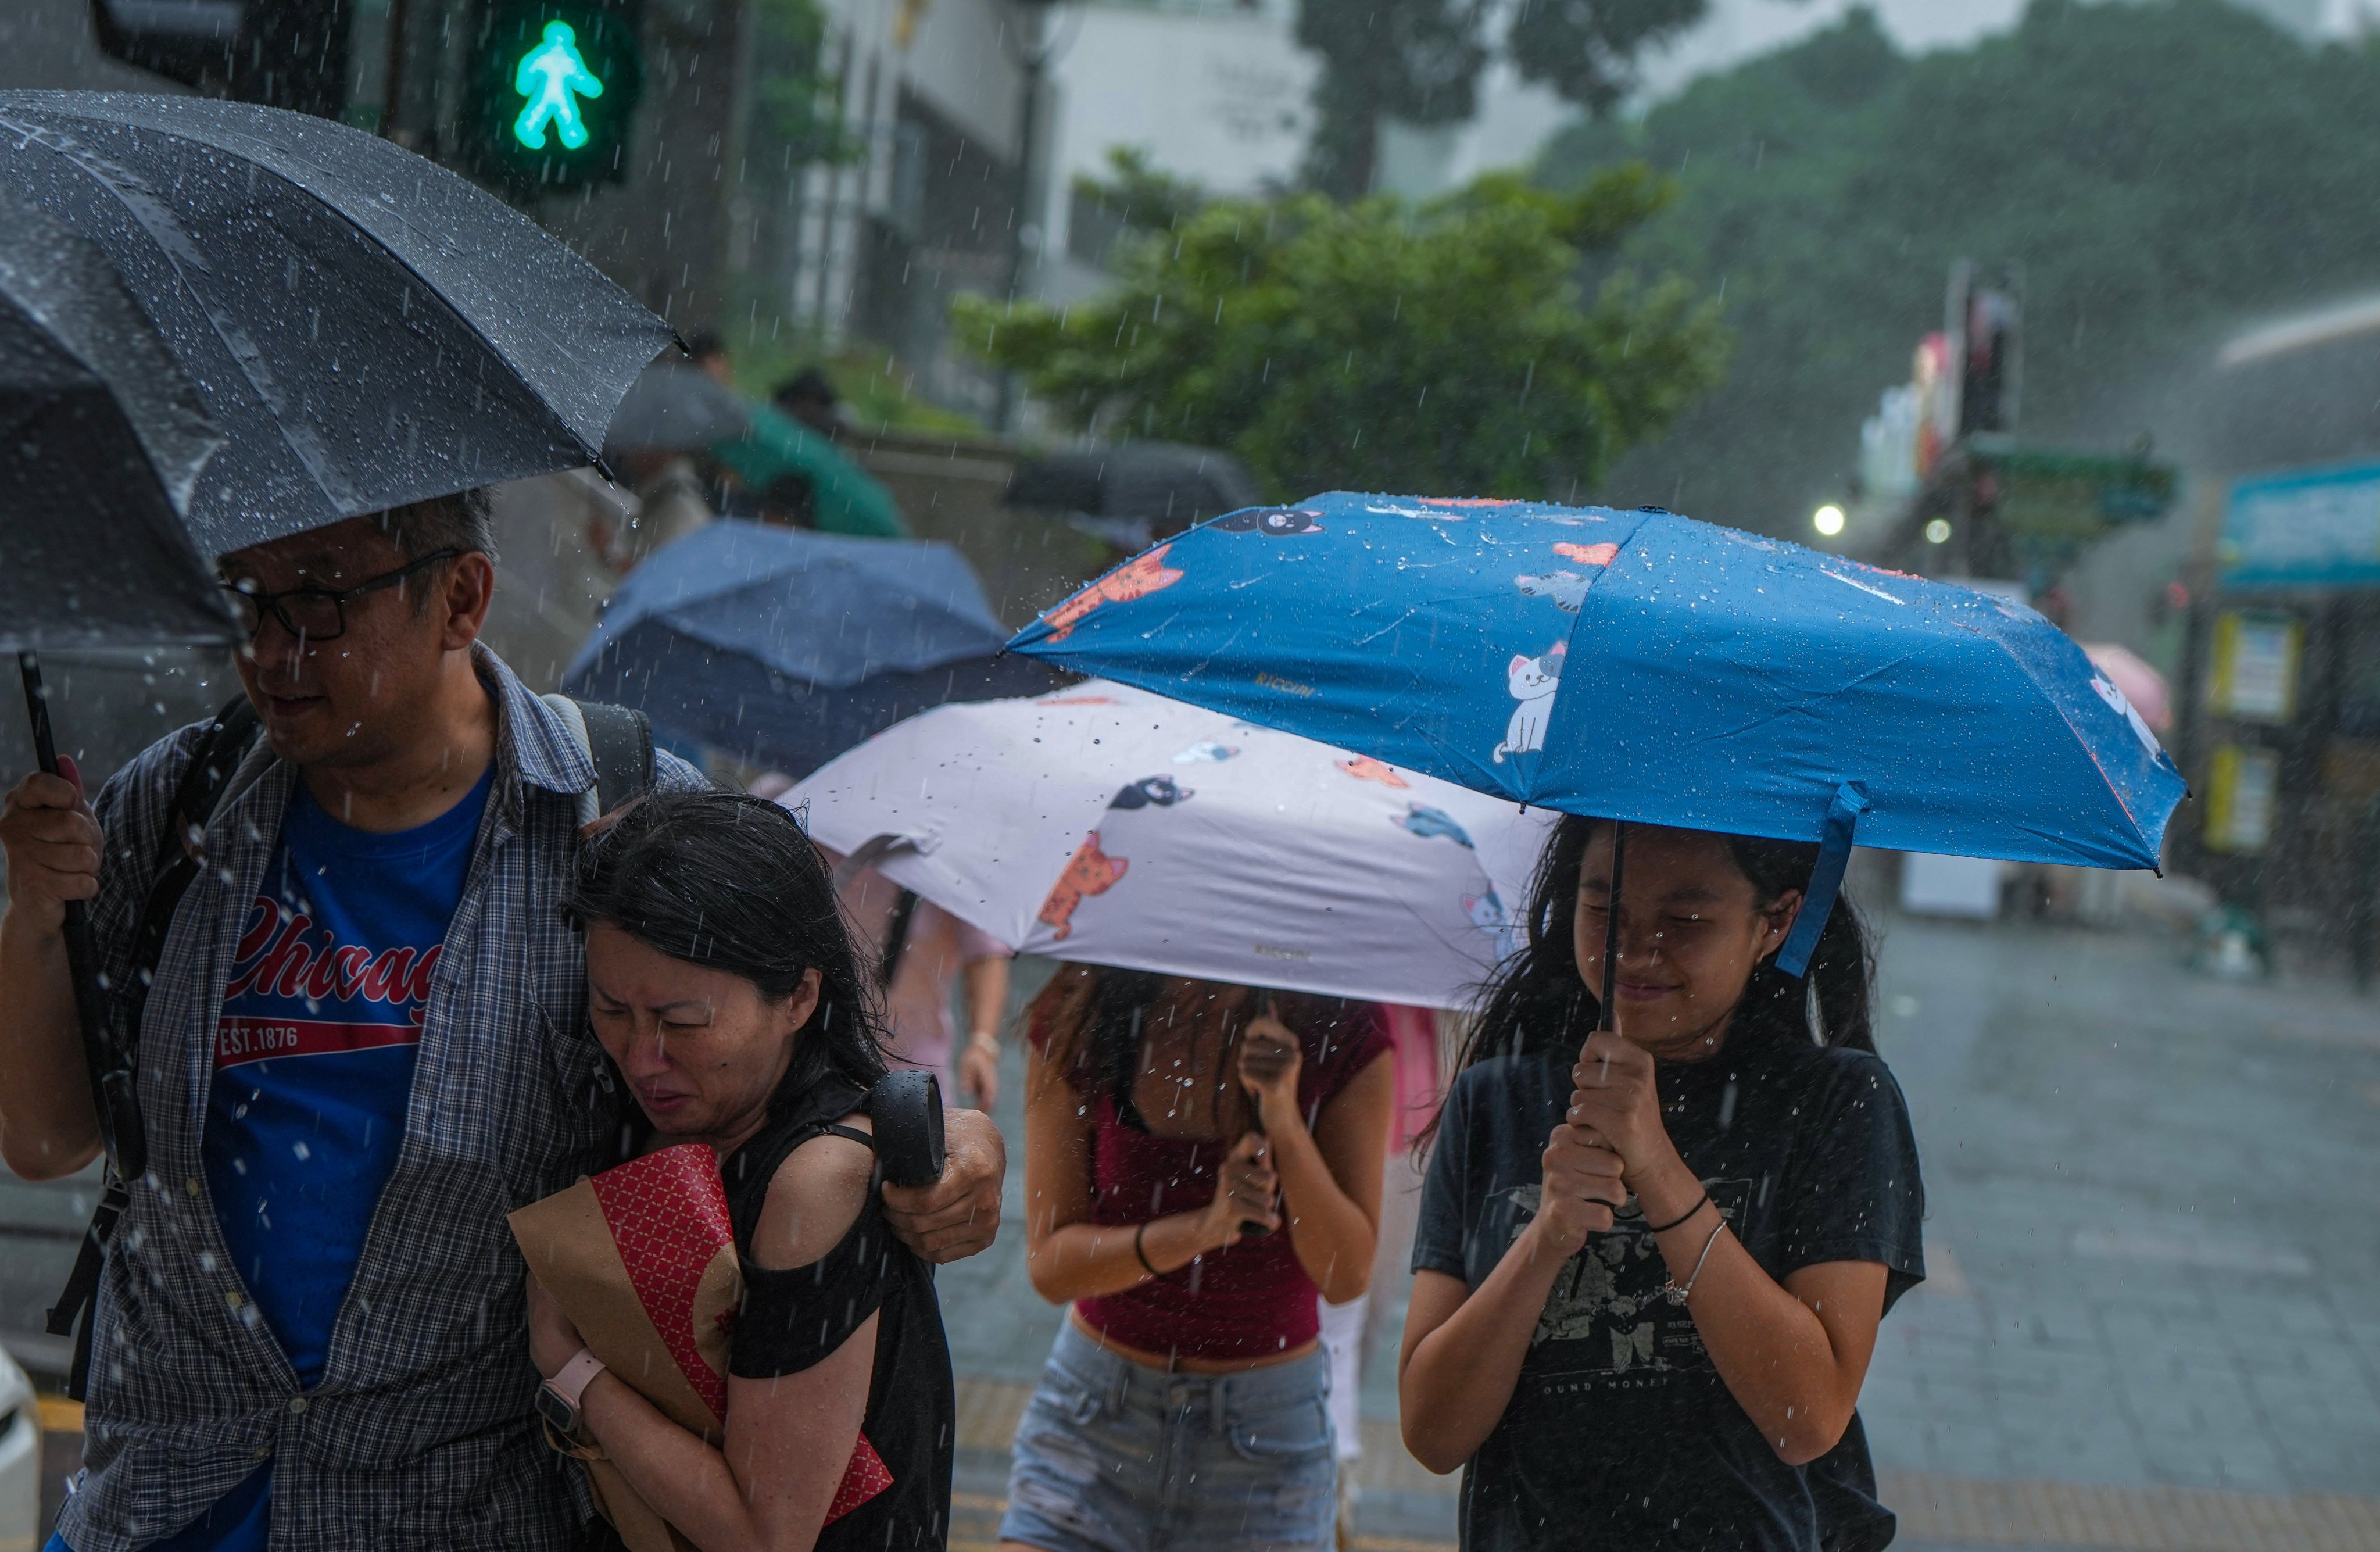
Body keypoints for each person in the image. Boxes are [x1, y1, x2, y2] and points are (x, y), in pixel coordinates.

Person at [0, 494, 1006, 1552]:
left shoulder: (614, 812)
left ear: (462, 598)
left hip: (463, 1508)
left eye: (318, 604)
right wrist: (33, 919)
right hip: (165, 1495)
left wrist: (943, 1149)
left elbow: (788, 1079)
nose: (269, 647)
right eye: (247, 600)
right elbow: (42, 1139)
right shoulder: (175, 805)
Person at [1397, 818, 1926, 1552]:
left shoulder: (1836, 1101)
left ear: (1776, 923)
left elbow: (1807, 1417)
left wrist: (1658, 1170)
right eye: (1603, 911)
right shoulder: (1495, 1101)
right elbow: (1432, 1431)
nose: (1634, 951)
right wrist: (1546, 1239)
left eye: (1686, 921)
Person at [528, 790, 952, 1551]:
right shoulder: (669, 1123)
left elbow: (766, 1532)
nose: (641, 1056)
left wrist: (573, 1372)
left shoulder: (815, 1178)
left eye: (682, 1021)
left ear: (797, 995)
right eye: (610, 1009)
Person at [1001, 968, 1394, 1552]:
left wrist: (1284, 1118)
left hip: (1265, 1447)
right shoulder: (1083, 1006)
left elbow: (1345, 1276)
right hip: (1094, 1424)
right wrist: (1203, 1229)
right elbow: (1053, 1266)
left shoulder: (1343, 1022)